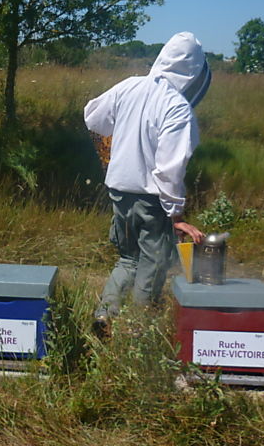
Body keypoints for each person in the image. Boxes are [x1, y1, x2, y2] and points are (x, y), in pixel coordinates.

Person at [84, 31, 211, 333]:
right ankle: (136, 328)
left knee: (128, 259)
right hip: (151, 201)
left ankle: (105, 314)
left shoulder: (129, 86)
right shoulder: (176, 107)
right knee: (153, 265)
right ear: (193, 72)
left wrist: (124, 133)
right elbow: (170, 169)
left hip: (118, 192)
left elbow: (93, 118)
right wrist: (177, 216)